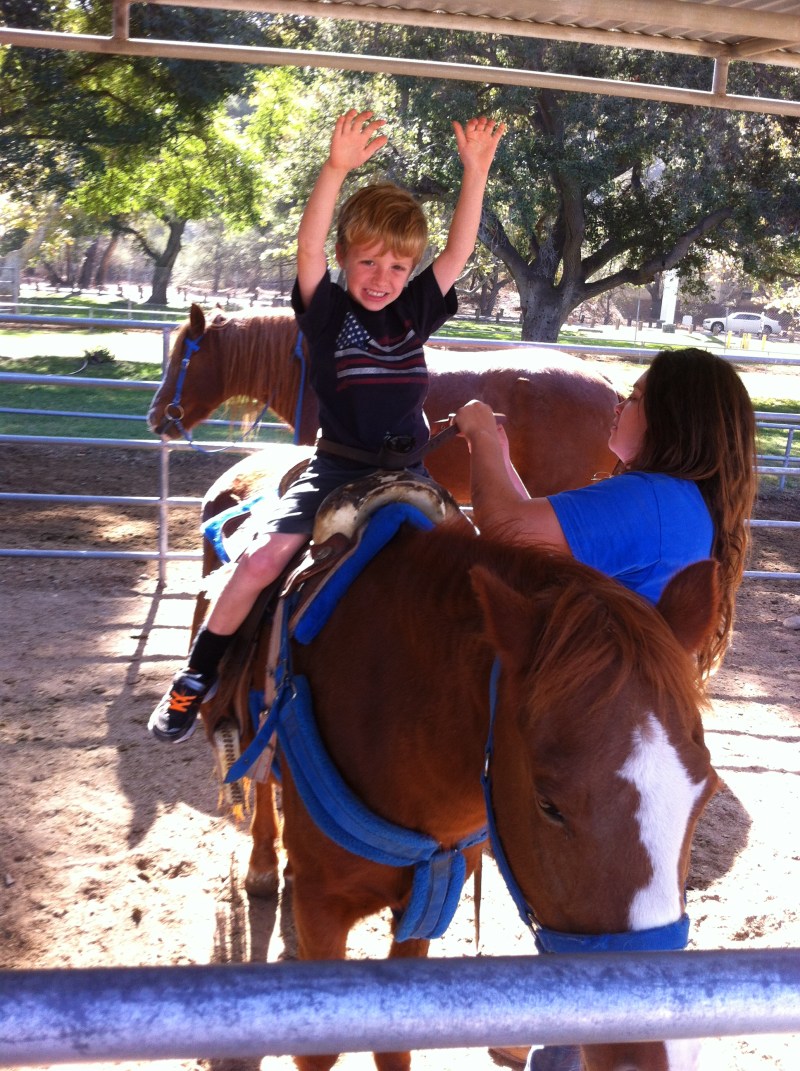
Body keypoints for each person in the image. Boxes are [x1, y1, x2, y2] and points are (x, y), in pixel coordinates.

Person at [149, 106, 505, 742]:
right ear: (344, 258)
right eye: (368, 263)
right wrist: (336, 169)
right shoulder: (327, 313)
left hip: (410, 475)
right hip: (338, 472)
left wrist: (475, 172)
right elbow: (307, 248)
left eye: (397, 268)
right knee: (262, 559)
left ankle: (492, 692)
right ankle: (195, 676)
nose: (382, 279)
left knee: (480, 569)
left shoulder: (416, 312)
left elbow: (459, 250)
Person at [455, 346, 757, 679]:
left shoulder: (647, 499)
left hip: (601, 687)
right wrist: (498, 456)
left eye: (635, 398)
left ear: (671, 419)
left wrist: (481, 434)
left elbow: (506, 528)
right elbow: (544, 541)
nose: (618, 407)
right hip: (626, 682)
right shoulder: (678, 498)